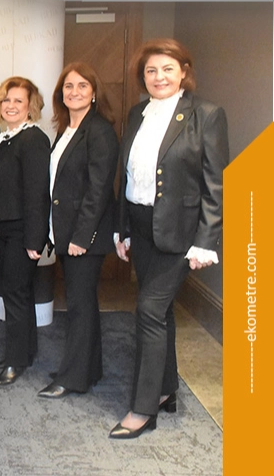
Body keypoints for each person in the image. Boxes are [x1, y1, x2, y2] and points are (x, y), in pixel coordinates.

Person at [110, 39, 228, 438]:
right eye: (151, 70)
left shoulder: (206, 115)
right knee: (160, 313)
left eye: (167, 69)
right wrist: (123, 228)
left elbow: (216, 186)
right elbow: (128, 175)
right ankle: (166, 389)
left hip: (180, 233)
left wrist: (206, 241)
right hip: (142, 228)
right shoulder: (137, 112)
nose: (158, 77)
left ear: (183, 72)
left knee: (148, 310)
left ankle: (144, 408)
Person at [37, 63, 118, 399]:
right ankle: (89, 369)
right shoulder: (67, 129)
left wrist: (81, 238)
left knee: (79, 306)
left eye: (83, 86)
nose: (75, 92)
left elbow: (99, 190)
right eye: (68, 86)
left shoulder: (99, 131)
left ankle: (72, 378)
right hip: (66, 231)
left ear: (94, 92)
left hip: (84, 236)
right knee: (83, 303)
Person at [0, 76, 50, 386]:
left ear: (30, 107)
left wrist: (35, 239)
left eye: (18, 101)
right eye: (6, 100)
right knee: (19, 292)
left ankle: (15, 360)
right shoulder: (7, 137)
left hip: (23, 231)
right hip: (7, 228)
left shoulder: (32, 139)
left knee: (15, 295)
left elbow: (37, 193)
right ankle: (25, 351)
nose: (11, 105)